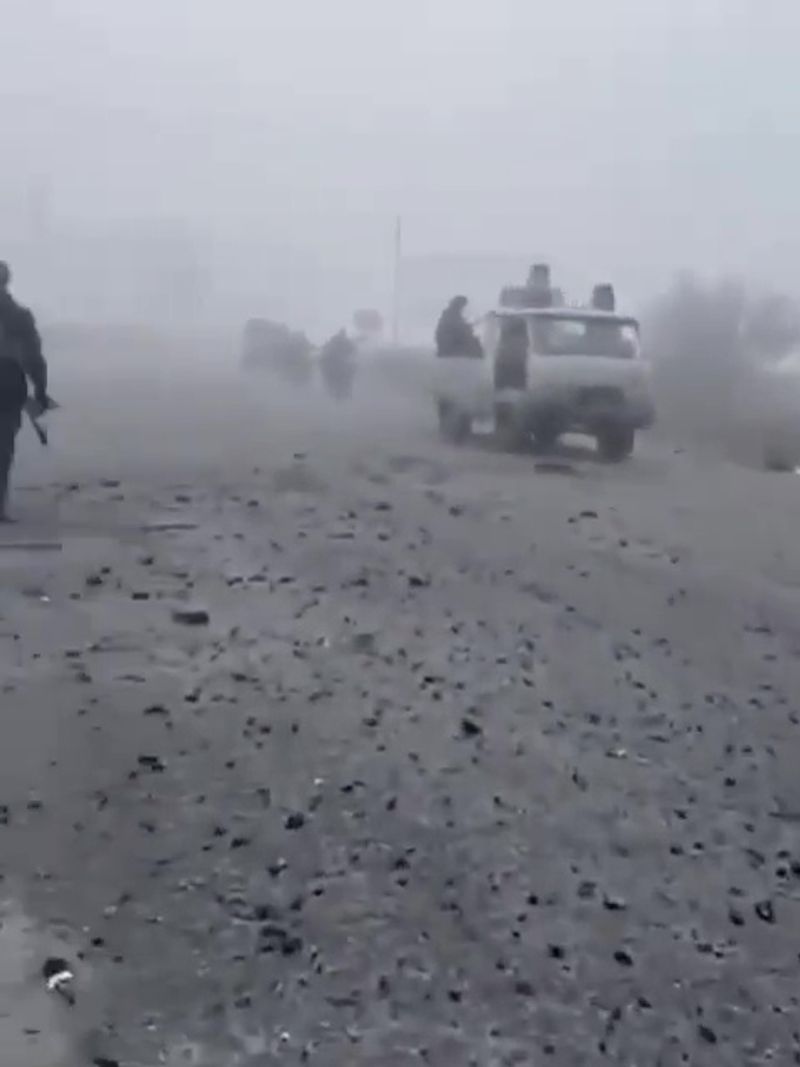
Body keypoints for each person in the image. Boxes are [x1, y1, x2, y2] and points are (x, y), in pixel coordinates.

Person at [0, 262, 49, 521]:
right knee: (2, 449)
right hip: (7, 388)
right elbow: (33, 357)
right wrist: (40, 390)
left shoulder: (19, 317)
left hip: (7, 387)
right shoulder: (19, 316)